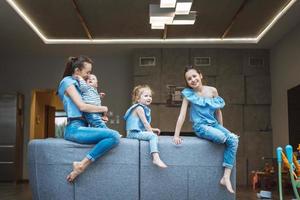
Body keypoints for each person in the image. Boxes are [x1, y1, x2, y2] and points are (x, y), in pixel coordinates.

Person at [173, 66, 239, 193]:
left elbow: (218, 112)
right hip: (200, 126)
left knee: (234, 139)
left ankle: (226, 177)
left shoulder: (213, 91)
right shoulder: (188, 94)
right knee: (221, 137)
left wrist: (222, 128)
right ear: (187, 82)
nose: (192, 80)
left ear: (200, 75)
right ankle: (222, 136)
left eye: (194, 76)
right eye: (189, 79)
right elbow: (182, 115)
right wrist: (176, 135)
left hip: (214, 125)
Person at [57, 55, 120, 182]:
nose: (89, 75)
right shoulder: (67, 82)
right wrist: (103, 109)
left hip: (85, 126)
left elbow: (88, 105)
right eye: (88, 72)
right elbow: (82, 106)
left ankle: (81, 165)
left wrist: (97, 117)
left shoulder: (80, 84)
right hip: (75, 128)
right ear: (77, 71)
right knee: (114, 136)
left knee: (112, 135)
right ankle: (81, 165)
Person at [124, 85, 167, 168]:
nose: (149, 98)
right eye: (146, 96)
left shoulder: (142, 108)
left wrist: (153, 129)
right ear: (138, 99)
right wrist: (152, 133)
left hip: (136, 132)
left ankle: (156, 157)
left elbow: (142, 125)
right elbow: (145, 123)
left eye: (150, 96)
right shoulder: (139, 108)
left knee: (152, 134)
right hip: (132, 133)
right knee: (153, 137)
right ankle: (156, 158)